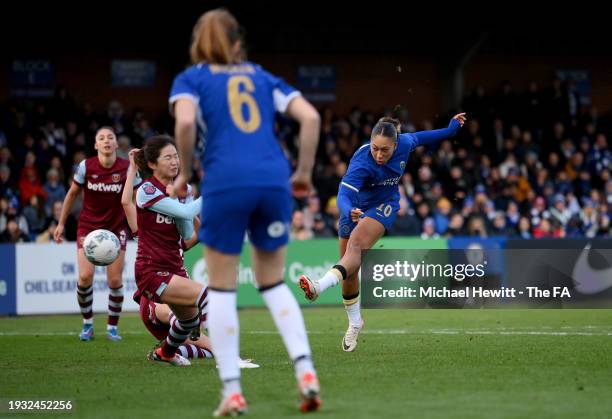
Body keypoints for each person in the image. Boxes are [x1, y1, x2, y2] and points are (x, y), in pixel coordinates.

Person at [170, 8, 322, 415]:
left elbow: (184, 125)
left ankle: (232, 391)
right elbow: (311, 117)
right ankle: (306, 373)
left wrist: (184, 172)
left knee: (221, 288)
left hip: (226, 180)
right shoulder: (260, 74)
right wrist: (303, 172)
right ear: (237, 42)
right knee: (272, 283)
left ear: (198, 43)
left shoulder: (192, 79)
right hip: (273, 179)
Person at [298, 114, 466, 352]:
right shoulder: (361, 160)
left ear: (396, 145)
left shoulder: (405, 143)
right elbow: (343, 196)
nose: (378, 155)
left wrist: (451, 130)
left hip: (384, 205)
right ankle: (355, 323)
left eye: (384, 150)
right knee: (349, 271)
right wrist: (349, 211)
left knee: (355, 247)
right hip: (354, 208)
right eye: (375, 148)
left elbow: (425, 137)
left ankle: (319, 287)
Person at [54, 127, 139, 342]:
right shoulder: (86, 166)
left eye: (110, 137)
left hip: (116, 228)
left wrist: (140, 226)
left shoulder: (127, 167)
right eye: (101, 138)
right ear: (96, 145)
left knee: (115, 280)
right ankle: (87, 324)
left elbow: (138, 197)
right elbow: (72, 194)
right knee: (84, 277)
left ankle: (112, 327)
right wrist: (61, 223)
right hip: (89, 227)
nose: (106, 141)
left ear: (117, 144)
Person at [130, 135, 209, 368]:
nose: (175, 161)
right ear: (153, 164)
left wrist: (181, 199)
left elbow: (186, 233)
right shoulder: (146, 189)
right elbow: (185, 215)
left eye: (176, 156)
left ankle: (165, 352)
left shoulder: (174, 195)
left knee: (188, 321)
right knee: (209, 297)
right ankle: (228, 358)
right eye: (168, 157)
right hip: (151, 272)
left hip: (173, 269)